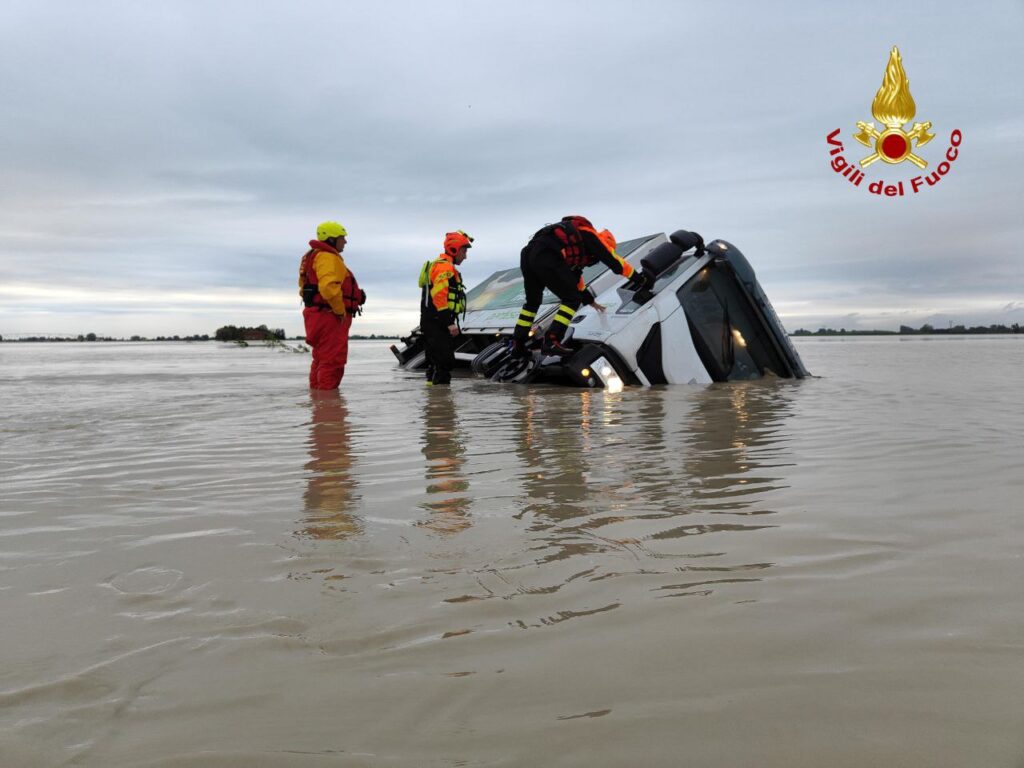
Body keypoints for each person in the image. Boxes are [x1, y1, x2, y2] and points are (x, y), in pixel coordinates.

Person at [511, 215, 650, 357]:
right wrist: (640, 279)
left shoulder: (575, 241)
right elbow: (615, 262)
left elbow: (574, 279)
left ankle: (518, 345)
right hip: (546, 254)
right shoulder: (591, 236)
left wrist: (590, 301)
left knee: (532, 303)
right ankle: (552, 340)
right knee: (572, 299)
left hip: (528, 254)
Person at [299, 221, 366, 389]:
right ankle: (328, 402)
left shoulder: (313, 257)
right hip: (330, 316)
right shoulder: (328, 257)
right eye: (342, 238)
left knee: (320, 359)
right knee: (333, 362)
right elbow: (328, 287)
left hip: (316, 315)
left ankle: (318, 399)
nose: (345, 241)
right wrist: (340, 310)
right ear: (331, 239)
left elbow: (303, 287)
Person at [418, 230, 471, 385]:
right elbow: (439, 297)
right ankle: (441, 396)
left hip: (433, 321)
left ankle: (434, 397)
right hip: (437, 322)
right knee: (444, 362)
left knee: (435, 363)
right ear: (454, 249)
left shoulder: (440, 266)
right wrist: (449, 323)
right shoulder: (444, 268)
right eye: (464, 251)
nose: (465, 256)